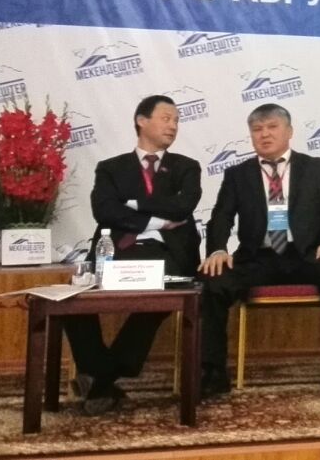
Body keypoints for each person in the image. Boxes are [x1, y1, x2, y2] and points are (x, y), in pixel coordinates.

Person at [198, 103, 320, 397]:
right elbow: (221, 217)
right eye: (257, 129)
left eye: (272, 127)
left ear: (289, 131)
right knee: (214, 279)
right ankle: (213, 372)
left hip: (306, 255)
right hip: (258, 258)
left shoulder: (316, 168)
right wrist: (218, 249)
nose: (265, 134)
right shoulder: (238, 174)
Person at [66, 95, 202, 414]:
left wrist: (133, 204)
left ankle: (98, 378)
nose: (173, 125)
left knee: (158, 301)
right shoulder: (110, 168)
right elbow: (104, 210)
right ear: (142, 121)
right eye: (166, 118)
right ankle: (103, 374)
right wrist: (156, 220)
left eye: (176, 120)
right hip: (116, 249)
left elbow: (183, 206)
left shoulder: (186, 167)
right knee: (73, 302)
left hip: (168, 252)